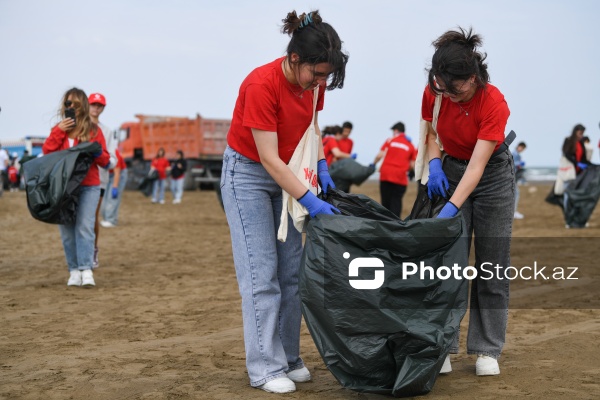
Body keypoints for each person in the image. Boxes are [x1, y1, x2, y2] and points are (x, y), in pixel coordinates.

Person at [221, 10, 347, 393]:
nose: (321, 83)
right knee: (262, 277)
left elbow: (311, 124)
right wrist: (310, 200)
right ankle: (264, 368)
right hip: (249, 176)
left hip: (290, 173)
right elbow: (268, 159)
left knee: (292, 274)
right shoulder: (261, 84)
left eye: (327, 76)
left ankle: (289, 358)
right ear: (295, 59)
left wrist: (322, 162)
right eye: (317, 74)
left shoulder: (315, 83)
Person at [422, 27, 513, 376]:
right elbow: (429, 132)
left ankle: (487, 349)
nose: (449, 96)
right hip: (450, 170)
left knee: (491, 264)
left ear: (472, 78)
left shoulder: (493, 102)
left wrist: (450, 208)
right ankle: (443, 345)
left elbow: (477, 167)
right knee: (448, 266)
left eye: (455, 89)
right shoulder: (437, 92)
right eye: (441, 88)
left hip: (491, 177)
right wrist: (433, 162)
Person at [42, 87, 110, 287]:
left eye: (74, 104)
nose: (70, 107)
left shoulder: (94, 131)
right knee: (67, 230)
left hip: (89, 185)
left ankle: (86, 269)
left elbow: (105, 161)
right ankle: (73, 270)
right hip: (63, 188)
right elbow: (47, 153)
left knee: (84, 227)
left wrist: (95, 149)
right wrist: (58, 131)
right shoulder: (59, 130)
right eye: (67, 104)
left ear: (82, 106)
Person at [88, 93, 117, 268]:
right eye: (93, 104)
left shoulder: (107, 131)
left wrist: (105, 161)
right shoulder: (79, 127)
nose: (96, 108)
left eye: (99, 105)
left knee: (91, 217)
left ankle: (93, 250)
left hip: (99, 179)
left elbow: (113, 157)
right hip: (79, 179)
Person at [372, 122, 416, 218]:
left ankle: (385, 224)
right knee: (396, 203)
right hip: (400, 178)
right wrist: (408, 170)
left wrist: (373, 164)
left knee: (385, 203)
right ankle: (396, 226)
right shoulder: (410, 145)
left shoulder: (390, 140)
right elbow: (412, 164)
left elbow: (380, 155)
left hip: (386, 175)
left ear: (396, 130)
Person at [100, 148, 128, 227]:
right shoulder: (100, 152)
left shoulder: (114, 153)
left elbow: (117, 172)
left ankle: (111, 220)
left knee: (112, 198)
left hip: (118, 174)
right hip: (108, 174)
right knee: (104, 198)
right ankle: (106, 218)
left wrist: (115, 187)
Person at [512, 142, 527, 219]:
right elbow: (511, 163)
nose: (522, 150)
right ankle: (513, 212)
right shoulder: (514, 154)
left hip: (513, 177)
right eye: (522, 148)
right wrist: (519, 164)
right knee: (516, 193)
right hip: (511, 177)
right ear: (519, 146)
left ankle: (513, 211)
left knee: (514, 193)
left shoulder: (517, 154)